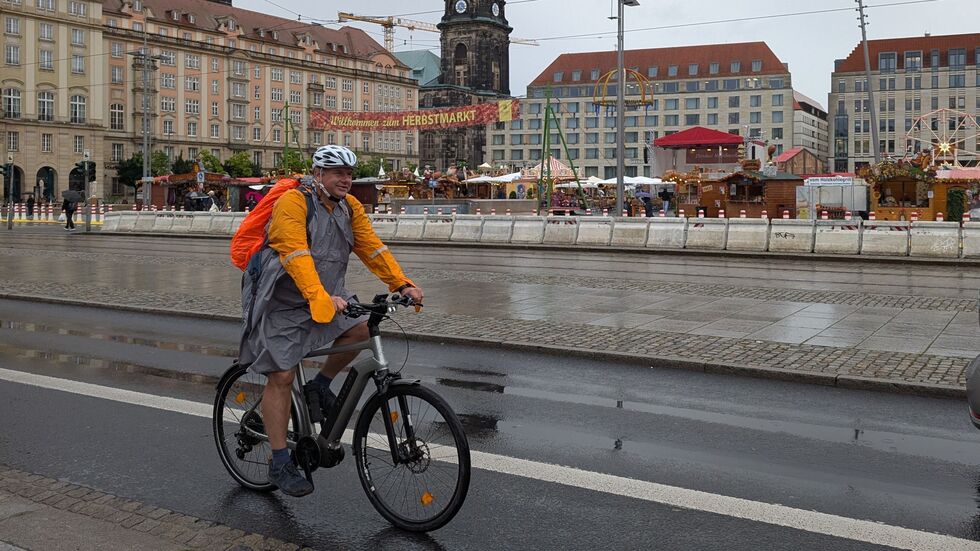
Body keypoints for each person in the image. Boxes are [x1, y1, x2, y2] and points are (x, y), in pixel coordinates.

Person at [238, 145, 423, 497]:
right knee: (281, 374)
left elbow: (372, 248)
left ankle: (320, 385)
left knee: (361, 326)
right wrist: (319, 296)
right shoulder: (294, 203)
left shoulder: (349, 208)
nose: (346, 179)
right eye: (338, 172)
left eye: (350, 173)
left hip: (328, 297)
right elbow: (295, 253)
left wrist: (402, 283)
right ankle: (279, 461)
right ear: (318, 174)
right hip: (284, 301)